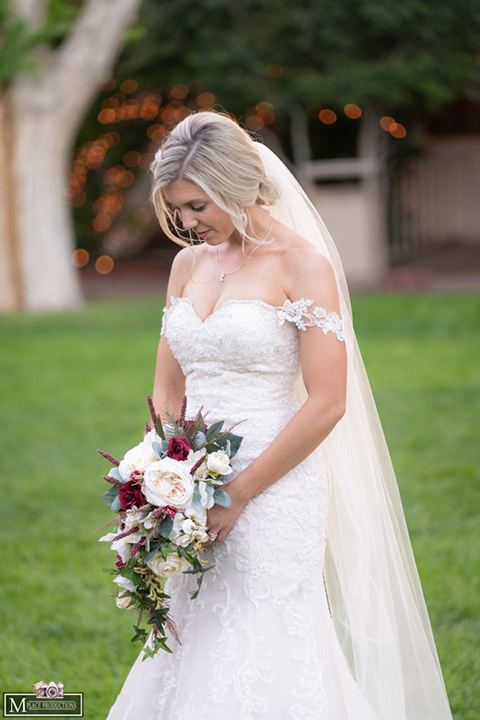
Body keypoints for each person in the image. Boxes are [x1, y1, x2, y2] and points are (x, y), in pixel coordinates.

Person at [106, 111, 452, 720]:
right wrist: (158, 481)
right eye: (177, 209)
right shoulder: (187, 266)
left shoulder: (303, 264)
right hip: (188, 486)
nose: (186, 223)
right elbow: (166, 391)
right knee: (193, 631)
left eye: (196, 206)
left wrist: (237, 493)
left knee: (265, 631)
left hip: (275, 480)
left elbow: (327, 401)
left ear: (235, 185)